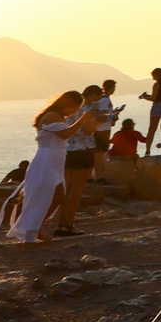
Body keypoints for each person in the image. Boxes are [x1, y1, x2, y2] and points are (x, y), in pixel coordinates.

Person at [0, 91, 97, 243]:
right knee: (50, 196)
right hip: (46, 161)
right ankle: (31, 230)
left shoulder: (57, 116)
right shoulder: (51, 116)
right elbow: (65, 134)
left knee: (57, 196)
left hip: (54, 161)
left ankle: (34, 229)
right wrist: (82, 120)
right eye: (75, 107)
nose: (74, 111)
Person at [52, 81, 106, 235]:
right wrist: (99, 122)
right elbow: (88, 130)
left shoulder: (65, 112)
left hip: (67, 151)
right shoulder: (85, 111)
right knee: (76, 191)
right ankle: (68, 224)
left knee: (66, 190)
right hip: (84, 151)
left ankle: (60, 223)